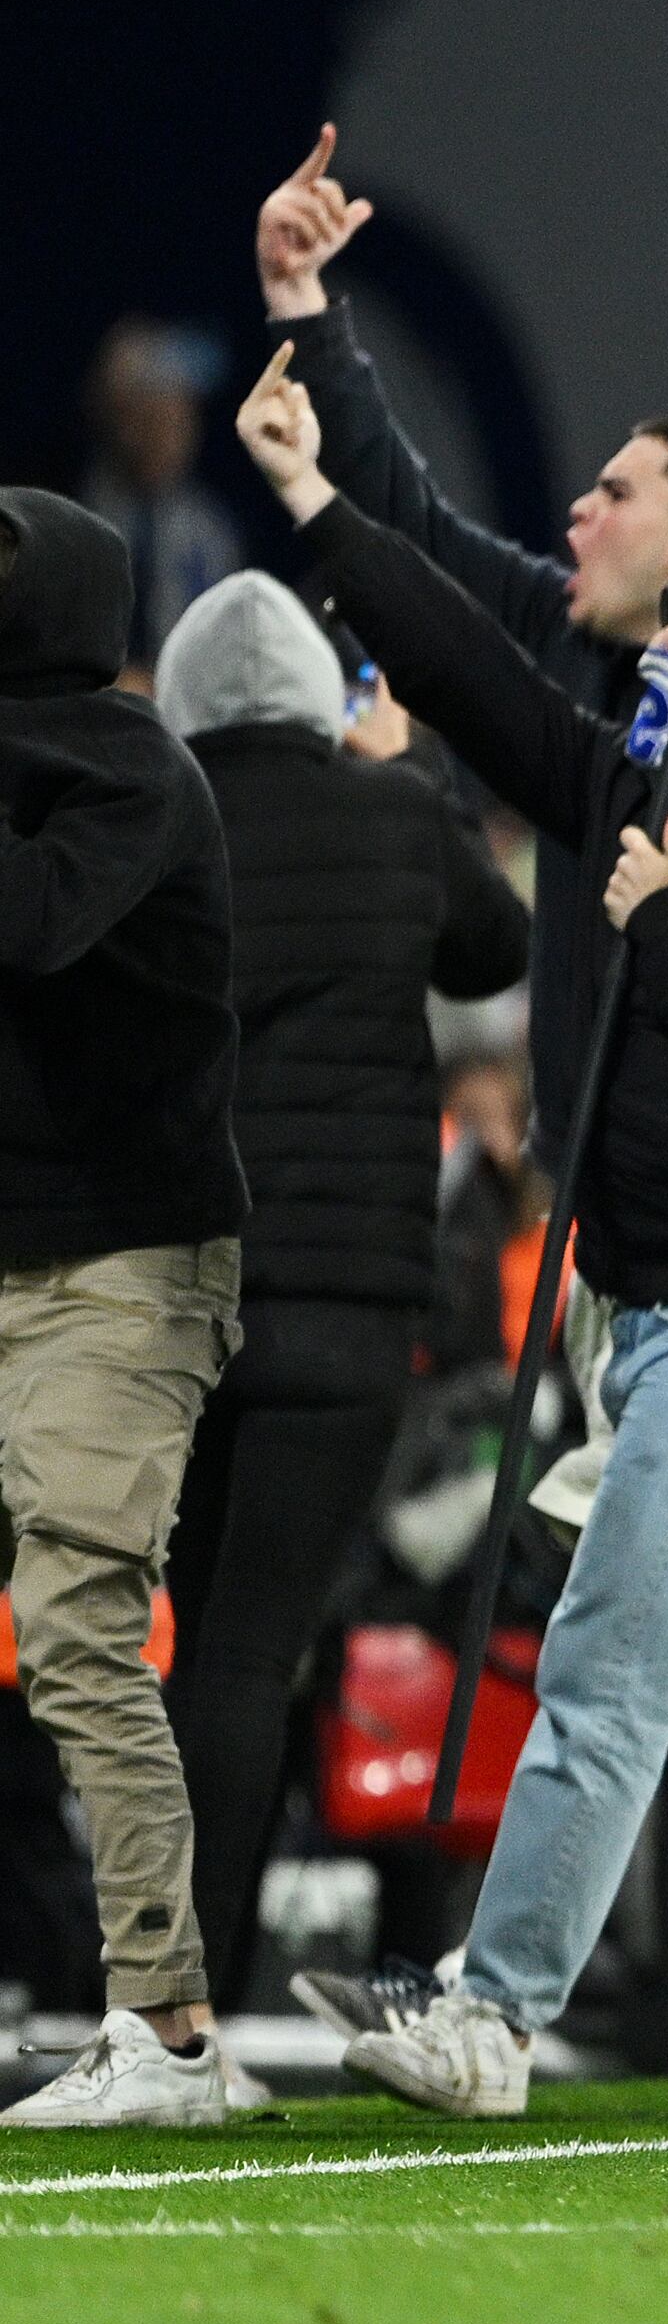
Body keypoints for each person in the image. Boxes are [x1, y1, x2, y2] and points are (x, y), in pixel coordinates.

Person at [236, 362, 668, 2124]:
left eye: (617, 490)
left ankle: (496, 2006)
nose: (580, 512)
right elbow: (477, 674)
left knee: (611, 1662)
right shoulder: (657, 765)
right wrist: (326, 502)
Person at [148, 576, 526, 2026]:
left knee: (192, 1642)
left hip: (178, 1288)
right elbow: (493, 947)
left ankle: (165, 2001)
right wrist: (406, 770)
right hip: (350, 1305)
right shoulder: (390, 814)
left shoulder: (158, 813)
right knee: (254, 1648)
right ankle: (188, 2007)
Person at [0, 492, 251, 2131]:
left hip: (122, 1264)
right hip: (30, 1245)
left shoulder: (137, 767)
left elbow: (29, 926)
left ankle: (163, 2024)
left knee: (85, 1625)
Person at [74, 321, 245, 660]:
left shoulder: (209, 530)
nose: (171, 428)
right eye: (150, 410)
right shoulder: (68, 515)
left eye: (182, 411)